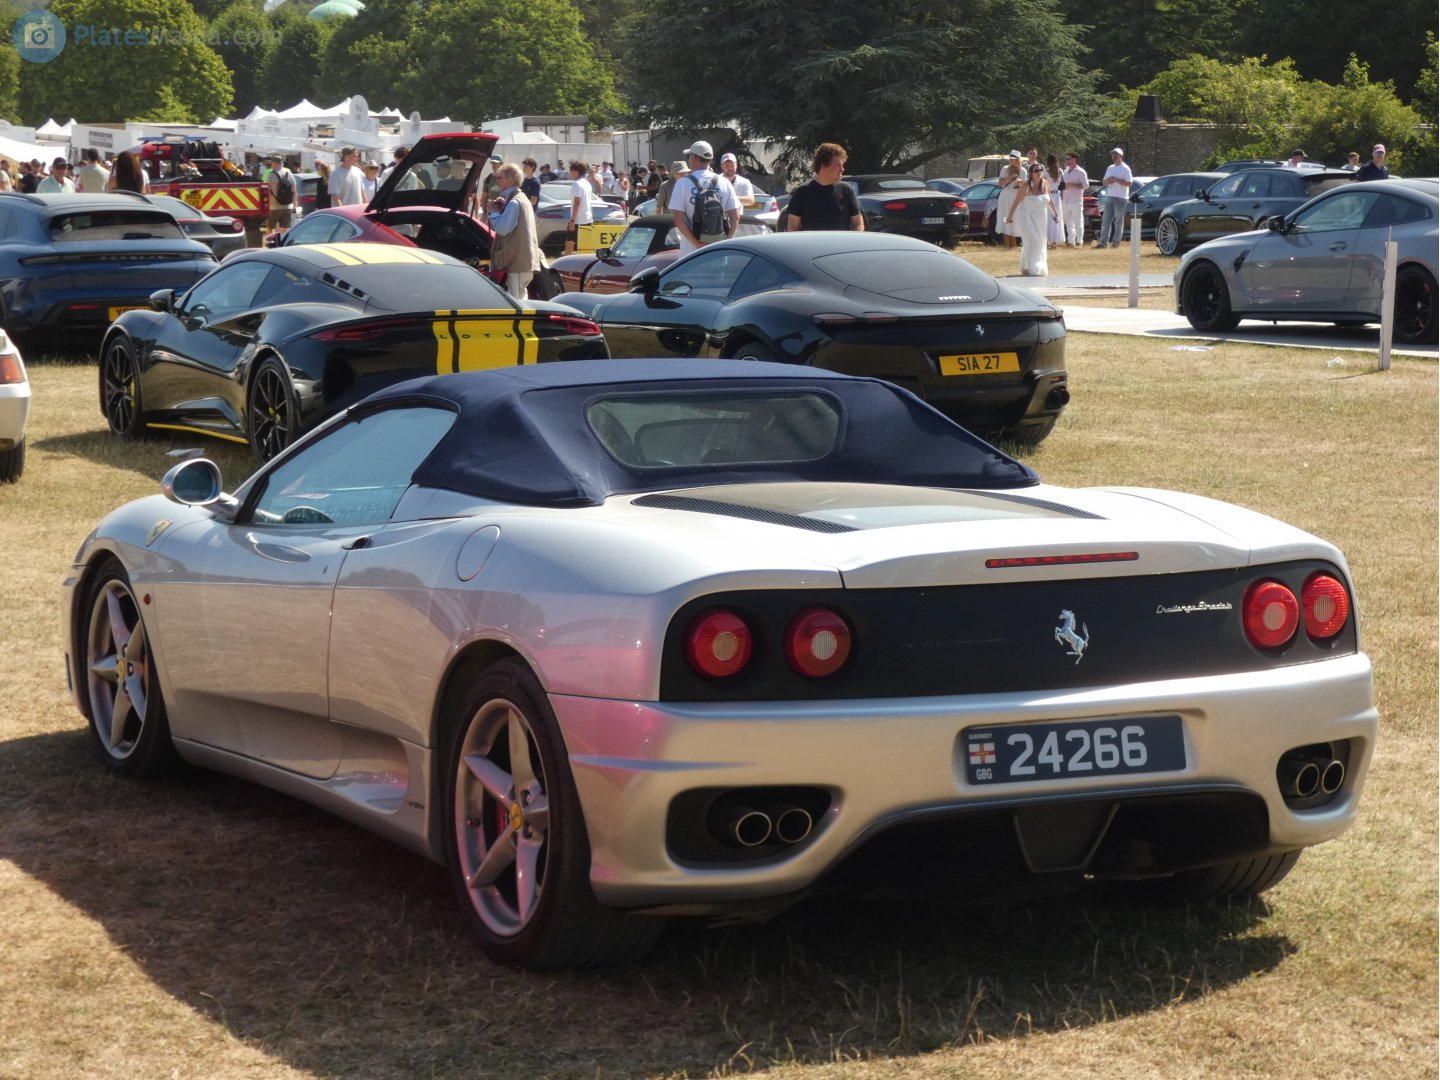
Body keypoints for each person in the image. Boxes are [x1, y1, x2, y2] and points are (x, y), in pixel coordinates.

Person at [669, 140, 740, 254]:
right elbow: (735, 218)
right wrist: (725, 243)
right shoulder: (724, 182)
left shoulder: (682, 183)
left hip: (691, 254)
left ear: (694, 157)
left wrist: (698, 244)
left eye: (689, 156)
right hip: (718, 252)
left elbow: (678, 220)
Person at [486, 163, 542, 299]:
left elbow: (503, 229)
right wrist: (501, 210)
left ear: (511, 180)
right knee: (520, 298)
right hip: (522, 263)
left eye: (499, 178)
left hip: (517, 264)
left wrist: (493, 212)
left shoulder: (515, 202)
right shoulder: (519, 200)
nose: (497, 181)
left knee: (516, 302)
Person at [783, 142, 862, 232]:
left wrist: (851, 242)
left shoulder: (846, 190)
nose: (842, 169)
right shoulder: (802, 192)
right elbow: (793, 227)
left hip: (840, 245)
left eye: (842, 165)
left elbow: (858, 224)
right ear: (823, 165)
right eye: (838, 165)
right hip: (811, 245)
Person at [1005, 162, 1059, 276]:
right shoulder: (1026, 186)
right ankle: (1035, 268)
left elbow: (1049, 200)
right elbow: (1016, 202)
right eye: (1036, 171)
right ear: (1031, 173)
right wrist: (1009, 217)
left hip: (1041, 218)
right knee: (1033, 241)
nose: (1039, 172)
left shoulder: (1045, 184)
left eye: (1040, 170)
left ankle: (1026, 266)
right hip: (1027, 217)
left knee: (1040, 242)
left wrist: (1055, 214)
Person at [1097, 147, 1132, 248]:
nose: (1114, 156)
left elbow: (1129, 183)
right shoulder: (1110, 168)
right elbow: (1104, 182)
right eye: (1113, 154)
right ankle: (1103, 243)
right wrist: (1109, 180)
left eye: (1116, 154)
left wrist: (1116, 180)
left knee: (1118, 222)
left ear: (1121, 156)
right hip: (1110, 196)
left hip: (1121, 198)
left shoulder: (1125, 168)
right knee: (1106, 221)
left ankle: (1116, 243)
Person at [995, 151, 1023, 248]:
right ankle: (1006, 244)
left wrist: (1020, 183)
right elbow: (1000, 184)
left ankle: (1014, 244)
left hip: (1016, 195)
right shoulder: (1005, 169)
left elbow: (1026, 185)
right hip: (1006, 194)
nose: (1011, 160)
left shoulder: (1023, 170)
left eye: (1013, 159)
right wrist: (1009, 178)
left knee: (1015, 218)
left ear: (1017, 160)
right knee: (1005, 217)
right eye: (1010, 158)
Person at [1060, 151, 1088, 248]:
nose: (1067, 160)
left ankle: (1079, 241)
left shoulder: (1081, 171)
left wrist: (1074, 185)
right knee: (1068, 222)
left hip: (1076, 201)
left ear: (1075, 159)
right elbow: (1062, 185)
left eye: (1069, 158)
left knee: (1078, 221)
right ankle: (1071, 241)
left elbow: (1086, 185)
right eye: (1066, 158)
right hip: (1066, 200)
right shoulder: (1065, 171)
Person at [565, 159, 592, 254]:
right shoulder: (587, 183)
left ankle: (565, 265)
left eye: (572, 170)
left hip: (578, 220)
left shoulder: (577, 184)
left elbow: (577, 203)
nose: (571, 173)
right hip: (587, 219)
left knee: (569, 243)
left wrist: (572, 221)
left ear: (577, 171)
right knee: (584, 248)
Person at [265, 154, 295, 238]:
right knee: (284, 228)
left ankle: (271, 243)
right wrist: (294, 206)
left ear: (274, 164)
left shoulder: (271, 175)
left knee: (270, 227)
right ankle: (281, 244)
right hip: (288, 206)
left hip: (274, 207)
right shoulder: (289, 174)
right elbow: (294, 191)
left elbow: (267, 191)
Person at [1044, 153, 1064, 248]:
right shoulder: (1060, 171)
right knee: (1056, 217)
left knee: (1049, 218)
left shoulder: (1046, 172)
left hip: (1049, 195)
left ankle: (1049, 239)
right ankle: (1055, 240)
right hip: (1057, 195)